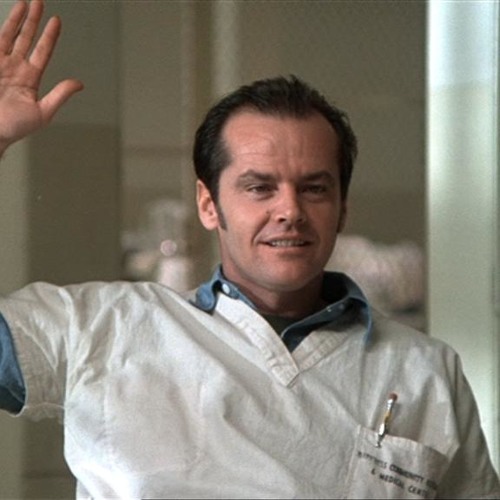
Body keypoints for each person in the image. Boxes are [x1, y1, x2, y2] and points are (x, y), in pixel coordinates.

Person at [0, 1, 499, 499]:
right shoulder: (104, 328)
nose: (290, 211)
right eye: (260, 188)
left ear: (342, 207)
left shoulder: (426, 371)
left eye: (314, 188)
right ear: (208, 204)